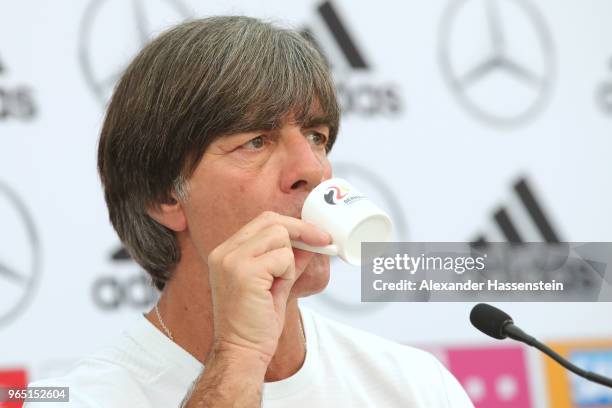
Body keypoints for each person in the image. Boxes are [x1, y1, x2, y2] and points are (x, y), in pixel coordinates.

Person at [27, 16, 474, 407]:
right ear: (164, 197)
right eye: (255, 141)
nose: (312, 171)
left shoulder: (414, 386)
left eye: (316, 136)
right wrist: (239, 354)